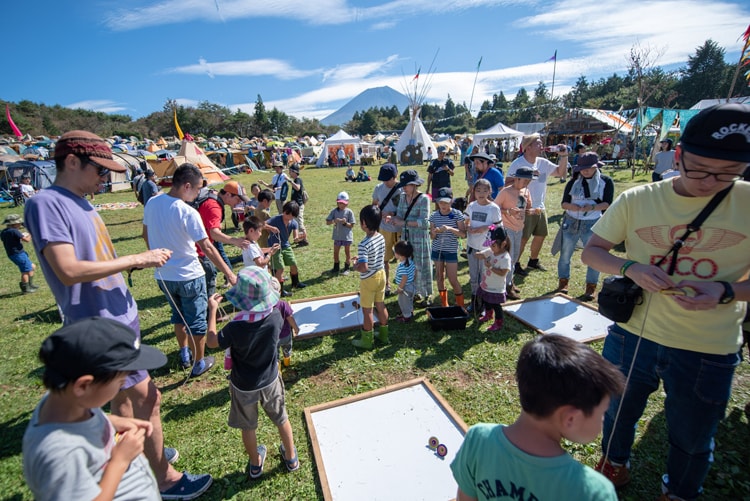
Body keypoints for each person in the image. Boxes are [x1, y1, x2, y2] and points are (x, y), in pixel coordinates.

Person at [24, 131, 211, 499]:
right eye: (100, 170)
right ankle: (165, 477)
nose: (105, 179)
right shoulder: (46, 204)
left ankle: (149, 451)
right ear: (72, 162)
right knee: (140, 401)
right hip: (99, 325)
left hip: (118, 319)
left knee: (142, 401)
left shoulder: (81, 201)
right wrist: (138, 258)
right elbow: (69, 269)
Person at [580, 103, 750, 500]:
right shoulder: (639, 199)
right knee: (616, 413)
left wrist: (726, 291)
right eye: (699, 170)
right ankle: (614, 463)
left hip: (707, 345)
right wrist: (631, 267)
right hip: (633, 333)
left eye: (728, 174)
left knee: (693, 434)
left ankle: (679, 491)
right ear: (677, 156)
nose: (712, 182)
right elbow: (594, 252)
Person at [450, 334, 625, 501]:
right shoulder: (594, 491)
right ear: (571, 419)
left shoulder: (477, 440)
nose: (603, 420)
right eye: (602, 413)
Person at [23, 317, 169, 501]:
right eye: (121, 382)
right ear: (83, 386)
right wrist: (120, 461)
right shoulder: (60, 454)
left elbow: (80, 421)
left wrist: (113, 421)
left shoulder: (63, 400)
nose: (123, 386)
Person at [143, 163, 237, 376]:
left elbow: (145, 234)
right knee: (196, 320)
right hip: (189, 275)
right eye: (197, 189)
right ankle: (198, 362)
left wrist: (155, 256)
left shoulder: (152, 202)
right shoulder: (187, 211)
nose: (198, 194)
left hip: (164, 275)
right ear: (186, 186)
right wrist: (229, 273)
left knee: (178, 316)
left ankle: (184, 352)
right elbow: (207, 246)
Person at [206, 267, 300, 480]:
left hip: (243, 385)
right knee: (281, 418)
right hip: (270, 380)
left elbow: (212, 342)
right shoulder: (276, 316)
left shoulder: (235, 327)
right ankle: (291, 457)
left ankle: (256, 464)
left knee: (248, 427)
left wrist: (212, 310)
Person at [506, 134, 567, 276]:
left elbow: (560, 172)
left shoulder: (542, 162)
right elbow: (507, 183)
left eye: (541, 143)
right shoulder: (518, 163)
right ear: (527, 148)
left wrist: (564, 156)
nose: (541, 145)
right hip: (524, 207)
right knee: (523, 237)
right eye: (537, 143)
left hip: (540, 206)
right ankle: (515, 263)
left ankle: (533, 260)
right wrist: (526, 176)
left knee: (541, 235)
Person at [557, 152, 614, 300]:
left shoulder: (605, 181)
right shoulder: (573, 181)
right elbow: (564, 203)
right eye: (582, 168)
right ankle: (563, 283)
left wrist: (592, 207)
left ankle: (591, 286)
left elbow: (608, 203)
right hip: (571, 220)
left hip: (592, 222)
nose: (585, 171)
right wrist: (572, 206)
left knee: (594, 256)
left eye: (588, 168)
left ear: (596, 167)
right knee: (565, 254)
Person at [390, 170, 433, 305]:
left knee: (421, 265)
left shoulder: (424, 198)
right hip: (406, 238)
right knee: (408, 265)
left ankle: (426, 294)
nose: (403, 188)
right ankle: (413, 292)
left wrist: (405, 223)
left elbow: (425, 223)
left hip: (420, 238)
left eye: (406, 185)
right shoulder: (403, 197)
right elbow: (401, 216)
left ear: (414, 185)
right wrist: (392, 218)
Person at [351, 205, 390, 349]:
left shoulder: (363, 244)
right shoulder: (380, 237)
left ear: (364, 223)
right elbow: (375, 256)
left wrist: (356, 265)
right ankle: (384, 335)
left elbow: (364, 267)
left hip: (369, 279)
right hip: (381, 275)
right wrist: (361, 259)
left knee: (367, 310)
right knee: (380, 305)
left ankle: (367, 339)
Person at [494, 167, 535, 300]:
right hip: (507, 228)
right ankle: (507, 287)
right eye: (525, 180)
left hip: (519, 228)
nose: (527, 182)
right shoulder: (506, 192)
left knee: (515, 256)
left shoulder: (526, 191)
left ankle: (509, 281)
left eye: (529, 180)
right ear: (517, 178)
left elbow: (527, 208)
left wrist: (533, 211)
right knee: (509, 257)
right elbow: (495, 208)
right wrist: (507, 212)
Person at [465, 178, 503, 314]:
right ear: (473, 192)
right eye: (478, 190)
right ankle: (474, 302)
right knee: (473, 276)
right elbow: (466, 219)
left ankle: (485, 305)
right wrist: (468, 226)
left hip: (486, 247)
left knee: (484, 276)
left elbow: (498, 227)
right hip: (472, 246)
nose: (481, 193)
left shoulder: (493, 208)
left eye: (485, 190)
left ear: (490, 191)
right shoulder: (472, 206)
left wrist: (486, 227)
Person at [428, 187, 466, 308]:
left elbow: (463, 234)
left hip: (450, 251)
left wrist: (449, 228)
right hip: (437, 250)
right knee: (439, 277)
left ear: (451, 201)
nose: (443, 205)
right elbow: (432, 237)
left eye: (446, 202)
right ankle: (444, 305)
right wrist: (433, 233)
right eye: (440, 202)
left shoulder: (457, 214)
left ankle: (460, 305)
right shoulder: (434, 216)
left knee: (453, 279)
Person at [372, 163, 402, 296]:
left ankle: (404, 285)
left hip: (401, 228)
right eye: (383, 179)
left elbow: (407, 209)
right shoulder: (378, 188)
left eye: (388, 179)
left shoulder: (403, 189)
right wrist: (379, 212)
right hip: (385, 228)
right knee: (385, 259)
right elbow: (374, 206)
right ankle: (387, 285)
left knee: (405, 258)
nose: (385, 182)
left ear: (395, 176)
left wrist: (393, 214)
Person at [475, 226, 512, 331]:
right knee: (486, 300)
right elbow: (482, 254)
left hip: (496, 287)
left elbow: (502, 273)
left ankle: (498, 322)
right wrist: (478, 254)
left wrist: (490, 266)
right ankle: (488, 314)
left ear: (503, 244)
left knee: (496, 305)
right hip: (487, 284)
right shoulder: (492, 251)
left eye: (493, 245)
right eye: (490, 245)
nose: (491, 247)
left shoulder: (505, 258)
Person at [267, 201, 307, 297]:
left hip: (286, 246)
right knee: (280, 268)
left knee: (293, 264)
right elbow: (261, 225)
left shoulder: (294, 223)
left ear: (294, 215)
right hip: (275, 247)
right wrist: (271, 227)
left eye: (290, 215)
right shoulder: (276, 219)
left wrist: (300, 237)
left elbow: (295, 238)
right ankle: (279, 291)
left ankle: (295, 283)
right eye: (286, 213)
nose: (286, 216)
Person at [2, 213, 39, 294]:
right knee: (25, 271)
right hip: (18, 254)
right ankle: (25, 289)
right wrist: (31, 233)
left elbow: (10, 239)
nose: (20, 224)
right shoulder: (15, 231)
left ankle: (30, 284)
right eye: (19, 223)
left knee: (32, 266)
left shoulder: (4, 231)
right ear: (15, 224)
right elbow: (27, 240)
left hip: (13, 253)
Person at [269, 277, 299, 367]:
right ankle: (287, 361)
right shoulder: (283, 304)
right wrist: (296, 328)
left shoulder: (265, 308)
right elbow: (290, 318)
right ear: (279, 291)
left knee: (275, 353)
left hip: (273, 337)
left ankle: (278, 367)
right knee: (287, 348)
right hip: (286, 335)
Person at [326, 191, 356, 275]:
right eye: (340, 203)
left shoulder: (349, 212)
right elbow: (327, 222)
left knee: (347, 252)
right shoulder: (334, 211)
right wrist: (333, 221)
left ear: (347, 203)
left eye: (343, 204)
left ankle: (347, 267)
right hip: (337, 236)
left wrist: (345, 223)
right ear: (337, 203)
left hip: (346, 236)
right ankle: (336, 267)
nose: (342, 205)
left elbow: (352, 225)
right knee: (335, 252)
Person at [393, 240, 416, 322]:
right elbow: (415, 271)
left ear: (400, 255)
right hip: (411, 285)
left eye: (395, 252)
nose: (394, 253)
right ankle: (410, 312)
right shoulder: (410, 261)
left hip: (405, 288)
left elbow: (404, 278)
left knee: (403, 302)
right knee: (409, 300)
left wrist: (400, 288)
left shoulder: (402, 266)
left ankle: (406, 317)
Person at [287, 163, 309, 246]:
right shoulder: (295, 180)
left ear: (294, 172)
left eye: (290, 172)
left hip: (299, 205)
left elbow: (298, 188)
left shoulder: (298, 180)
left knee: (299, 223)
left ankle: (304, 239)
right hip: (295, 205)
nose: (289, 173)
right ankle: (299, 239)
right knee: (295, 222)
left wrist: (290, 181)